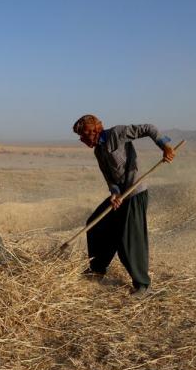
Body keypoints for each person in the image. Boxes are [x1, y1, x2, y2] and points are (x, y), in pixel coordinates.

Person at [73, 115, 175, 297]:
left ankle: (143, 285)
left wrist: (165, 146)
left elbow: (149, 127)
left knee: (129, 241)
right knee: (96, 224)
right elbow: (110, 179)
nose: (82, 140)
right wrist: (114, 193)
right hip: (121, 197)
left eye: (83, 135)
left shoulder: (116, 133)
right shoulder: (98, 151)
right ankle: (97, 270)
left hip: (135, 194)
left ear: (93, 132)